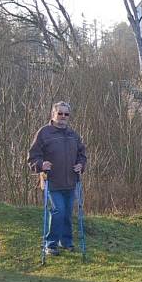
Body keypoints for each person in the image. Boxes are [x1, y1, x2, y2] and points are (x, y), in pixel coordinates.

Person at [27, 101, 87, 256]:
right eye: (60, 113)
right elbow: (32, 157)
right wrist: (41, 164)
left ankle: (66, 242)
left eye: (66, 114)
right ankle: (50, 244)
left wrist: (81, 165)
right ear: (53, 114)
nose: (63, 117)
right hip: (51, 181)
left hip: (71, 182)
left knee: (67, 212)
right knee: (58, 211)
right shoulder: (44, 133)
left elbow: (82, 155)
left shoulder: (73, 135)